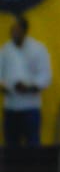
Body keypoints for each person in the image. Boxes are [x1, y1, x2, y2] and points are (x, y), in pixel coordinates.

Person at [0, 13, 53, 149]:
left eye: (17, 30)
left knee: (32, 146)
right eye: (13, 30)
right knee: (11, 147)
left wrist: (29, 87)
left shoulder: (38, 49)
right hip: (11, 106)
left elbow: (45, 76)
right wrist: (6, 86)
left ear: (24, 30)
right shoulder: (5, 50)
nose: (14, 33)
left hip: (31, 106)